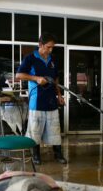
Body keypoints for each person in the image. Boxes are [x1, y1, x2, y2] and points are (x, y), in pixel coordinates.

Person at [16, 33, 67, 165]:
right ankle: (36, 155)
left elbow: (56, 79)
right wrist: (36, 78)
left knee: (54, 128)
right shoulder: (30, 58)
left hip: (51, 99)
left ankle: (58, 154)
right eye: (48, 47)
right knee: (35, 129)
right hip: (36, 100)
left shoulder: (53, 59)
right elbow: (19, 75)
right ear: (40, 45)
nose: (50, 50)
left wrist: (59, 95)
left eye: (52, 48)